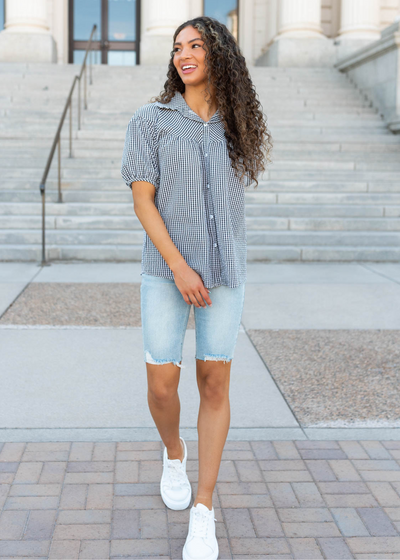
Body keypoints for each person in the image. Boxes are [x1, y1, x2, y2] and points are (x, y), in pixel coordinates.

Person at [121, 15, 272, 560]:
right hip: (167, 272)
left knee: (214, 384)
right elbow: (143, 200)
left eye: (196, 45)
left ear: (219, 55)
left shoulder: (237, 123)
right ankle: (173, 451)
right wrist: (181, 267)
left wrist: (209, 267)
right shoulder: (152, 119)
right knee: (162, 385)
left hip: (226, 272)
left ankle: (203, 510)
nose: (184, 54)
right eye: (178, 47)